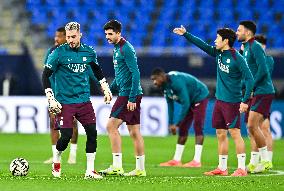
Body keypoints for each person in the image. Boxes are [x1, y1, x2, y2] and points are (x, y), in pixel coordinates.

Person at [173, 26, 254, 176]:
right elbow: (202, 45)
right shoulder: (218, 53)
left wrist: (245, 101)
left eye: (217, 38)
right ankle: (222, 168)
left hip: (233, 102)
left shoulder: (237, 58)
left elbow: (250, 79)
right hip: (219, 101)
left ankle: (242, 168)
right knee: (220, 133)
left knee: (235, 133)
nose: (215, 41)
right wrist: (186, 34)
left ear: (226, 41)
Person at [42, 21, 112, 179]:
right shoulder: (58, 53)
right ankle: (57, 159)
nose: (71, 40)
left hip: (84, 101)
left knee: (92, 133)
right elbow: (45, 75)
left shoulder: (89, 52)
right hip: (64, 102)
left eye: (73, 37)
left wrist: (105, 87)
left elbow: (96, 69)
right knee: (65, 136)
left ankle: (90, 171)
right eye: (68, 37)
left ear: (80, 35)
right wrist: (51, 98)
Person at [98, 20, 146, 177]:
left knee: (111, 126)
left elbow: (136, 73)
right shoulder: (117, 49)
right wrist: (110, 91)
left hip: (128, 94)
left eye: (110, 34)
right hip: (127, 93)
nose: (107, 37)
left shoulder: (126, 49)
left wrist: (132, 98)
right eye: (106, 34)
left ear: (119, 33)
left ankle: (117, 166)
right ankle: (140, 169)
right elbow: (120, 76)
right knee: (134, 131)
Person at [236, 21, 275, 173]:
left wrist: (251, 86)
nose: (237, 32)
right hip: (256, 91)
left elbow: (263, 70)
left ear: (248, 32)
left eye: (239, 30)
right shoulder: (246, 48)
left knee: (254, 126)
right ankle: (256, 161)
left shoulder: (255, 46)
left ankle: (265, 160)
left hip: (263, 91)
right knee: (251, 127)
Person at [150, 68, 209, 168]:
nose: (154, 83)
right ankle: (176, 160)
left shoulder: (176, 82)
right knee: (183, 128)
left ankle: (197, 161)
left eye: (155, 79)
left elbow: (185, 103)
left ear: (162, 76)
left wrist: (176, 124)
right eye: (153, 80)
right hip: (190, 100)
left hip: (199, 96)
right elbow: (170, 105)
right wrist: (171, 123)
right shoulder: (164, 86)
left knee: (198, 126)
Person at [43, 27, 78, 165]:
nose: (56, 39)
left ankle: (73, 155)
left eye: (59, 36)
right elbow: (46, 73)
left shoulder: (75, 51)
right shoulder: (51, 51)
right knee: (53, 124)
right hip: (55, 94)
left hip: (71, 93)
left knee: (73, 123)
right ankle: (55, 155)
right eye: (55, 36)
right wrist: (50, 92)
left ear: (66, 37)